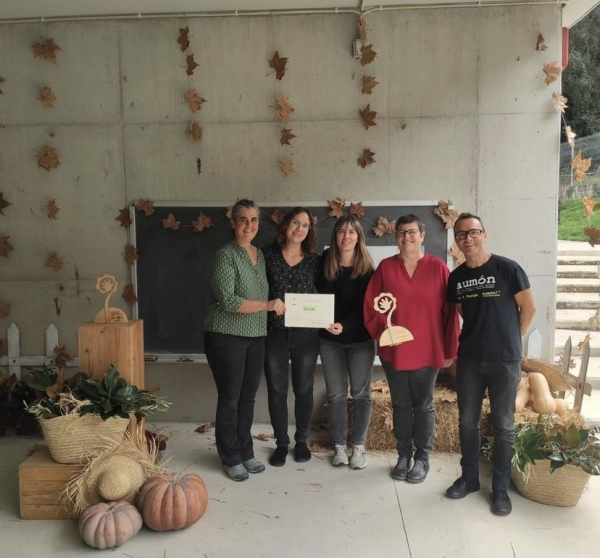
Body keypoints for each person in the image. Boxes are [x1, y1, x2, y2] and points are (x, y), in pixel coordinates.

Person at [445, 212, 535, 516]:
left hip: (505, 360)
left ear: (484, 234)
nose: (467, 239)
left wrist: (510, 338)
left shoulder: (508, 268)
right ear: (456, 241)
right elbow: (461, 312)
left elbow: (529, 307)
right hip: (469, 359)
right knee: (467, 422)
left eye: (473, 233)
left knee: (504, 425)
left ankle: (499, 488)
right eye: (461, 235)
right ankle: (469, 478)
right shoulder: (456, 277)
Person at [364, 214, 459, 484]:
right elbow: (372, 306)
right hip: (395, 350)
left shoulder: (438, 268)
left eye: (413, 232)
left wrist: (450, 349)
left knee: (424, 405)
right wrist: (384, 332)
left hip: (428, 350)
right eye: (402, 232)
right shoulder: (385, 269)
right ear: (396, 238)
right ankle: (404, 455)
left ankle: (422, 459)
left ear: (423, 235)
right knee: (401, 404)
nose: (407, 237)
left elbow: (450, 314)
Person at [204, 199, 285, 482]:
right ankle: (229, 456)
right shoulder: (225, 255)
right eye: (243, 220)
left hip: (256, 336)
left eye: (253, 220)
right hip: (226, 336)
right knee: (230, 399)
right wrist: (266, 305)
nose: (249, 225)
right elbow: (228, 301)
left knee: (248, 398)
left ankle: (245, 450)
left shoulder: (259, 255)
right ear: (233, 223)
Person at [316, 215, 376, 469]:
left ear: (359, 237)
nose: (347, 236)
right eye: (341, 231)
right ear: (335, 237)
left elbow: (368, 308)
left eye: (352, 232)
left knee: (361, 394)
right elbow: (314, 299)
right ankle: (340, 447)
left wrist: (346, 325)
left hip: (360, 340)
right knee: (337, 395)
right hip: (329, 341)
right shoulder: (323, 264)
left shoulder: (368, 270)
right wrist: (322, 321)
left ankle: (358, 447)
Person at [262, 208, 320, 467]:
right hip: (273, 332)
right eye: (296, 223)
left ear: (309, 231)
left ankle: (302, 441)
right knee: (276, 390)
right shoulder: (266, 255)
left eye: (305, 225)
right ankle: (282, 443)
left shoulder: (315, 260)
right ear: (286, 225)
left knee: (304, 389)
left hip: (306, 334)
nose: (299, 229)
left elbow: (327, 293)